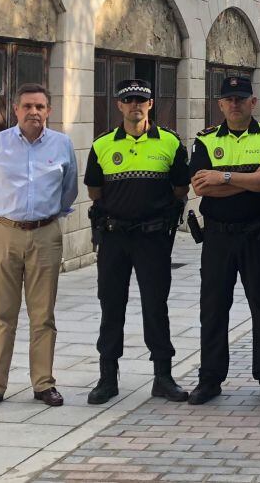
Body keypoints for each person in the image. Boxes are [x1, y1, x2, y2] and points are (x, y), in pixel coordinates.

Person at [0, 83, 78, 411]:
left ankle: (43, 384)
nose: (34, 112)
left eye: (41, 107)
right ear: (16, 110)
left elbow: (69, 191)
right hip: (3, 233)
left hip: (45, 234)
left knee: (42, 315)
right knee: (2, 314)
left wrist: (43, 217)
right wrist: (8, 215)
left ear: (49, 111)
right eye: (28, 106)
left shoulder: (62, 145)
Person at [85, 79, 190, 405]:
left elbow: (180, 190)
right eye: (128, 100)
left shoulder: (170, 143)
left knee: (155, 306)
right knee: (111, 306)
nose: (135, 106)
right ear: (119, 105)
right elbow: (94, 191)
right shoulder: (102, 145)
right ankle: (107, 377)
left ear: (150, 104)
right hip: (115, 237)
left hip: (152, 239)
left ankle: (163, 376)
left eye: (140, 100)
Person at [187, 76, 260, 406]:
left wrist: (225, 176)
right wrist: (252, 180)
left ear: (253, 102)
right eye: (229, 99)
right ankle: (210, 378)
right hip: (217, 235)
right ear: (220, 104)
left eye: (241, 99)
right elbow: (201, 187)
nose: (235, 104)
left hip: (259, 234)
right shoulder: (204, 141)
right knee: (214, 307)